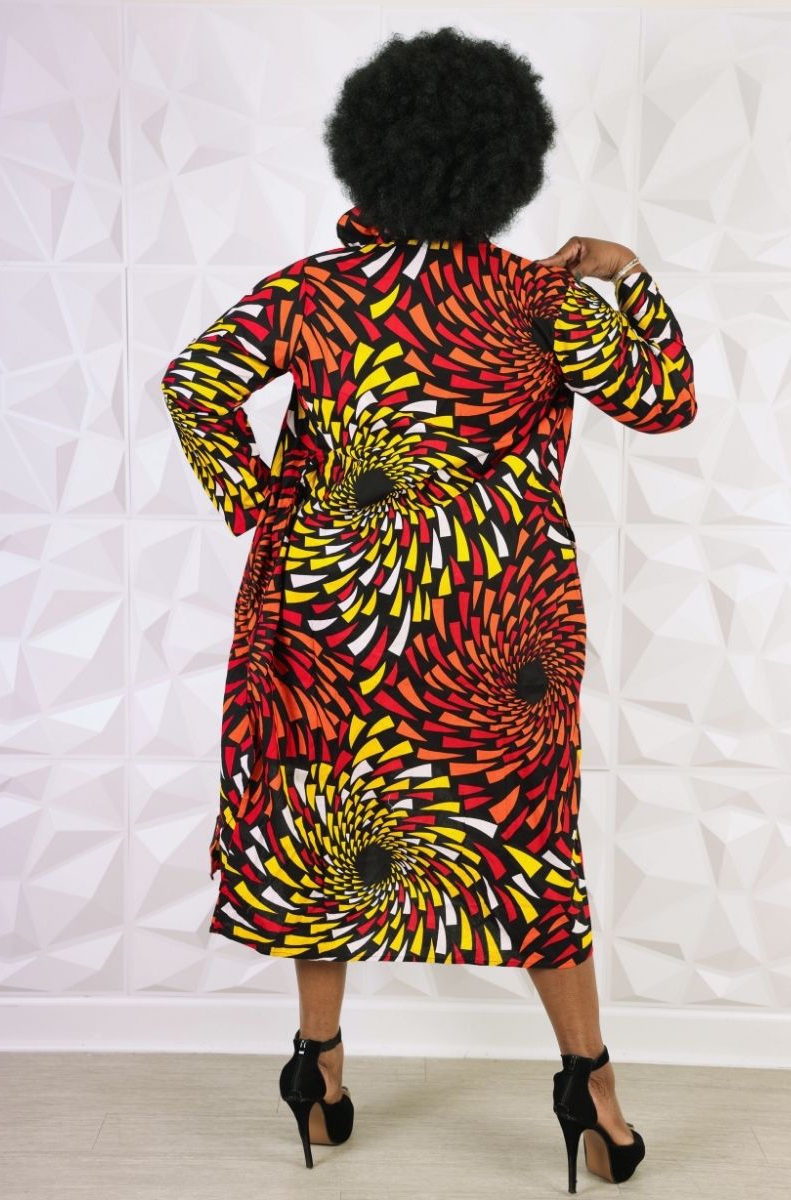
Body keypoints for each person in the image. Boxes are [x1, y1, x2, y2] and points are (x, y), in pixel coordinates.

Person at [160, 25, 695, 1193]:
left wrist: (264, 506)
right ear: (502, 166)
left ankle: (317, 1067)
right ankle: (589, 1087)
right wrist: (624, 275)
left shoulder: (314, 288)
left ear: (371, 155)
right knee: (528, 841)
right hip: (497, 634)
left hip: (330, 617)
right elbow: (664, 400)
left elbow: (193, 381)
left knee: (323, 818)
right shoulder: (540, 297)